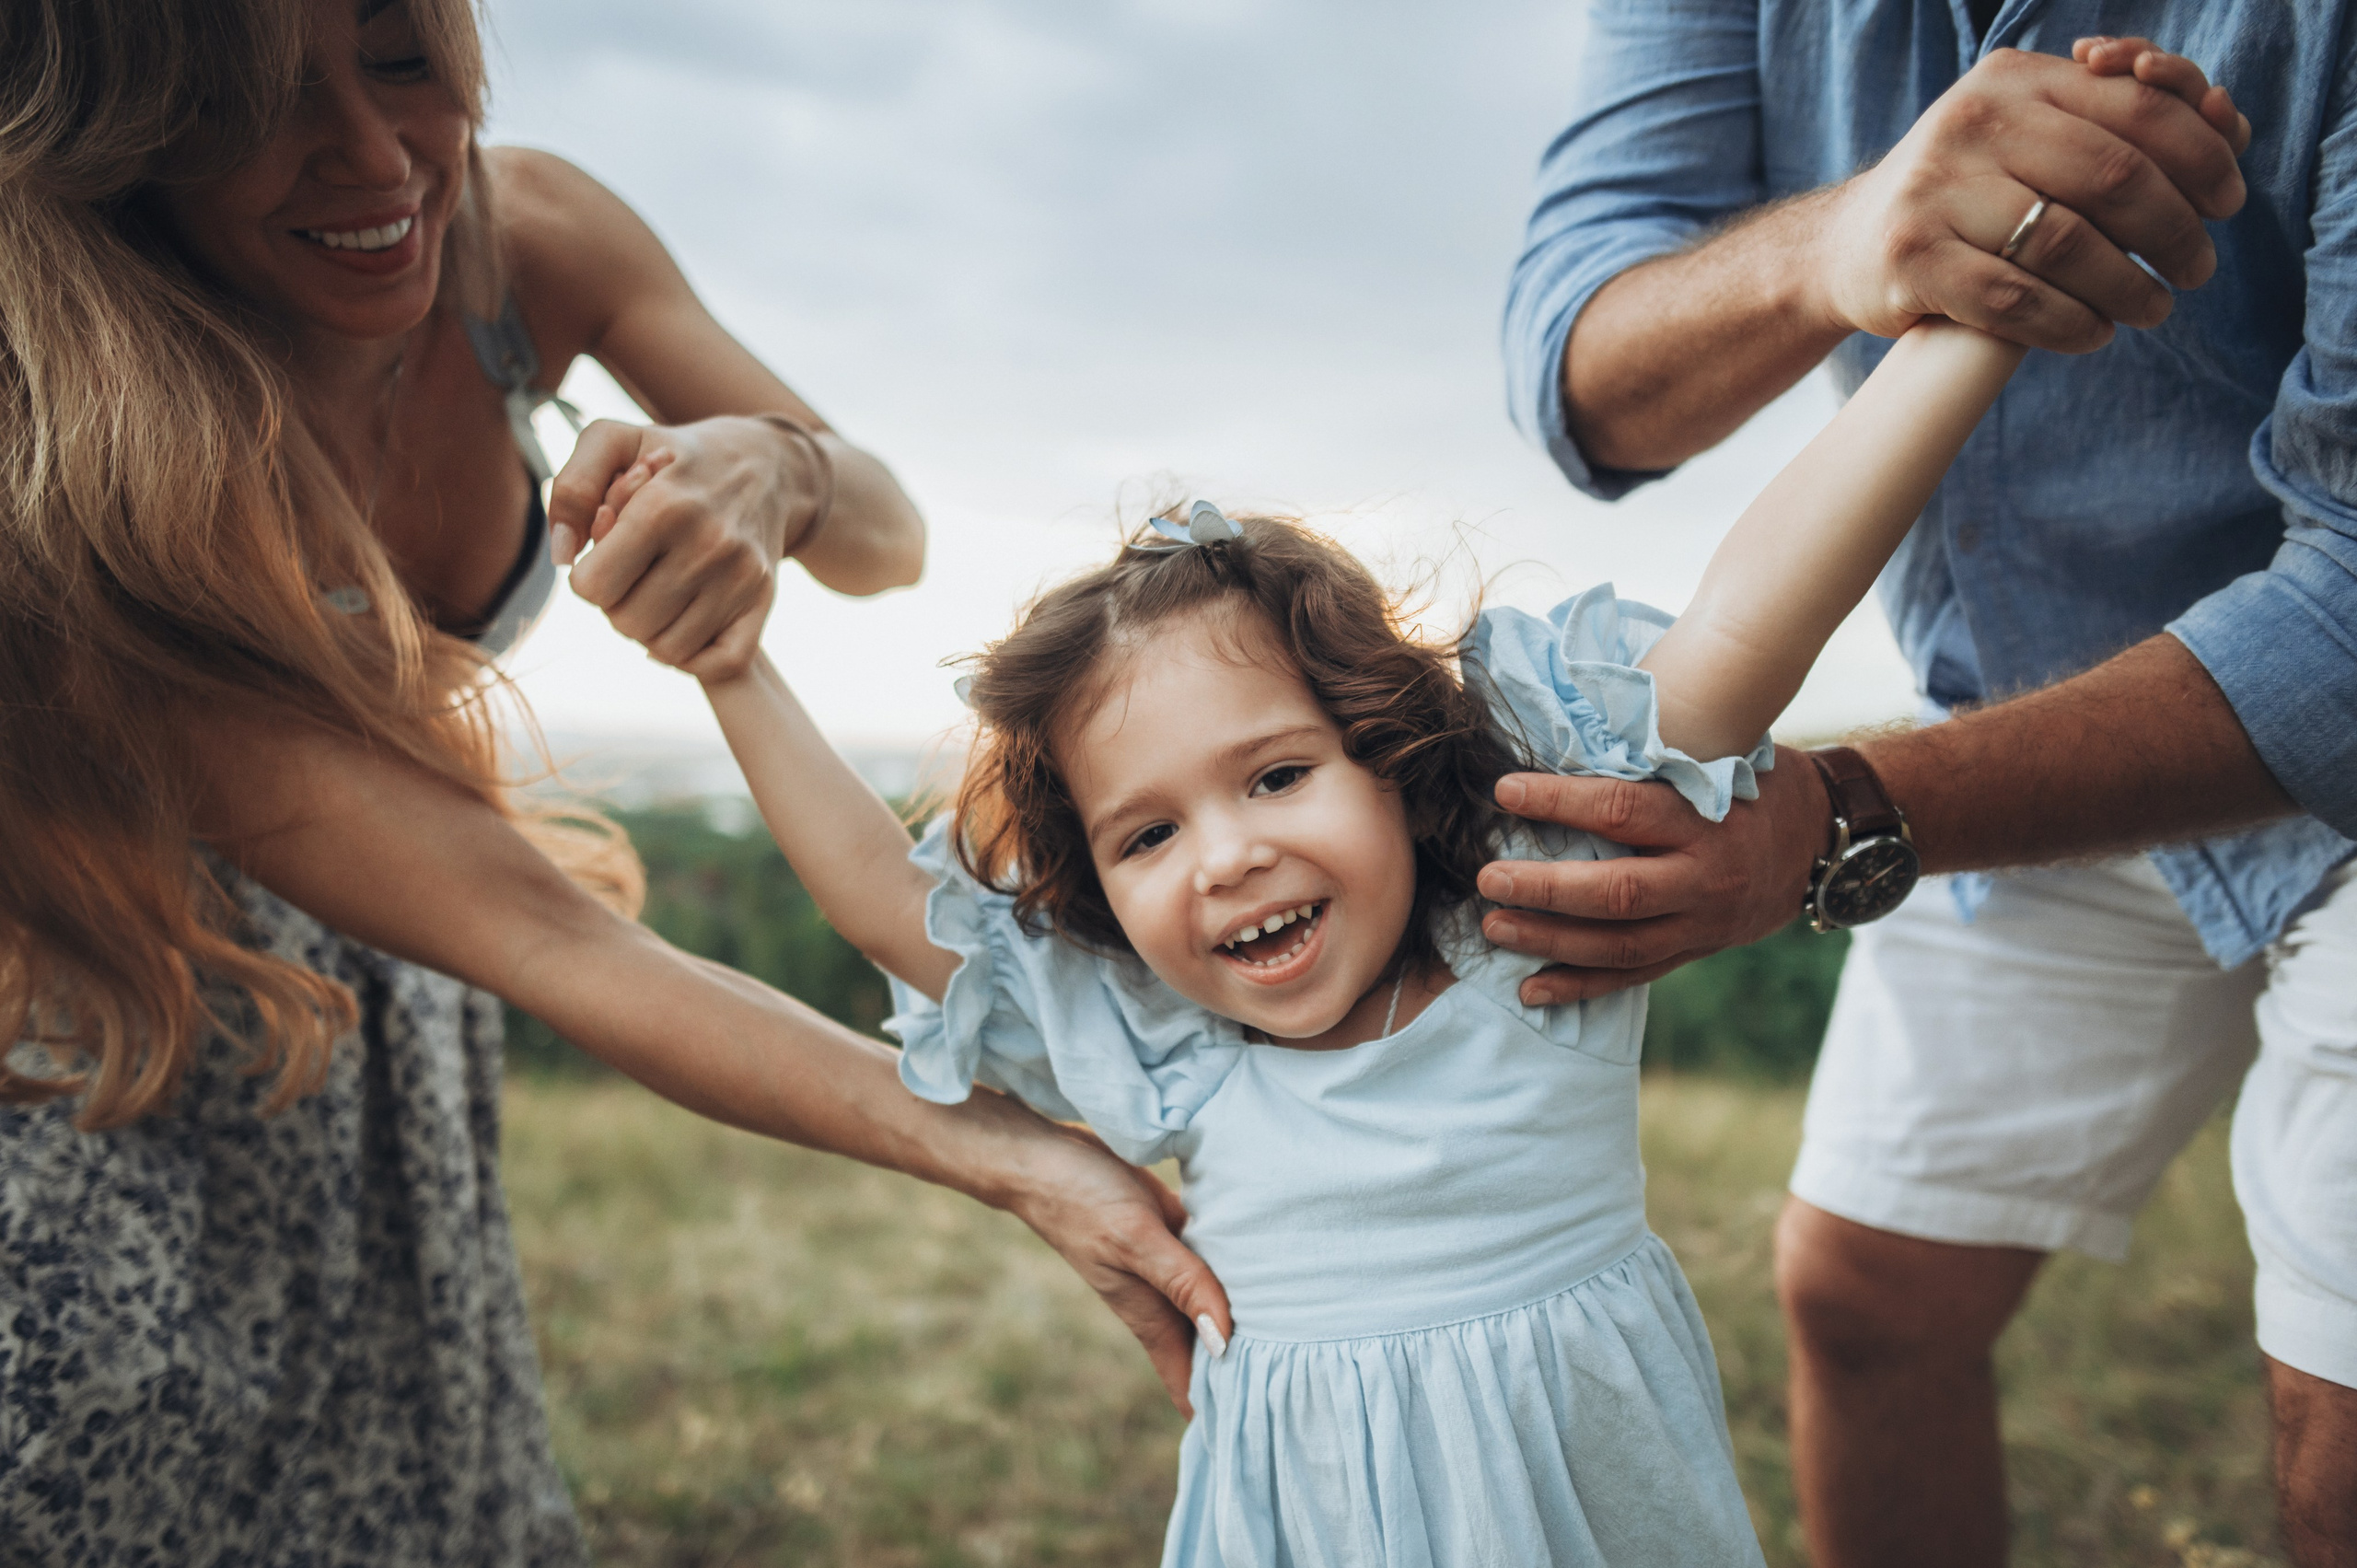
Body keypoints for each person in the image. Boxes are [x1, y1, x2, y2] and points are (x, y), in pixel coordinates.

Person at [0, 1, 1225, 1561]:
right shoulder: (54, 451)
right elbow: (549, 936)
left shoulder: (527, 245)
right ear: (122, 131)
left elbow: (886, 537)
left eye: (400, 59)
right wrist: (1007, 1152)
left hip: (397, 1035)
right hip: (108, 1027)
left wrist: (770, 470)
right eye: (253, 106)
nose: (379, 158)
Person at [599, 308, 2025, 1563]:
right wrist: (732, 664)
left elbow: (1740, 629)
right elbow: (884, 898)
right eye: (1146, 836)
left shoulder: (1541, 931)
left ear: (1393, 764)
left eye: (1277, 775)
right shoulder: (1170, 1048)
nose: (1227, 857)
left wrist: (1971, 328)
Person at [1502, 12, 2354, 1567]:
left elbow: (2350, 617)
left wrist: (1833, 816)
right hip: (2046, 719)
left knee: (2341, 1446)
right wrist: (1840, 240)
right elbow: (1578, 375)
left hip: (2299, 693)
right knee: (1869, 1297)